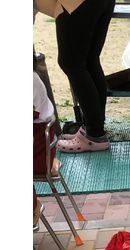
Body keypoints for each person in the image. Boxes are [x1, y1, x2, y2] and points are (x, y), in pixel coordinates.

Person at [34, 0, 115, 152]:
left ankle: (94, 135)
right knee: (89, 60)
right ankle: (94, 130)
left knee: (71, 63)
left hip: (74, 3)